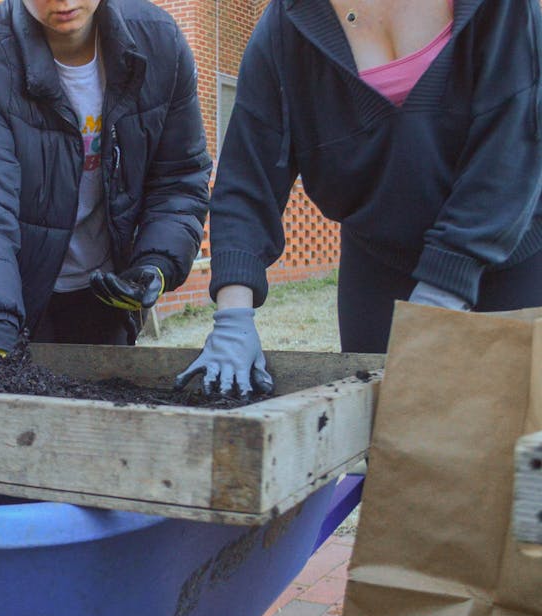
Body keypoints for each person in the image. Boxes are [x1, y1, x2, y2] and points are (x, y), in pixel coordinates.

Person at [177, 0, 542, 397]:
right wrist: (233, 316)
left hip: (511, 257)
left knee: (510, 440)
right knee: (392, 439)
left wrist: (440, 295)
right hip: (380, 263)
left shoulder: (502, 9)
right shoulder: (289, 25)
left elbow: (511, 150)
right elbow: (248, 177)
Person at [0, 0, 211, 354]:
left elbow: (179, 177)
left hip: (103, 293)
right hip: (9, 291)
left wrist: (156, 263)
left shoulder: (159, 43)